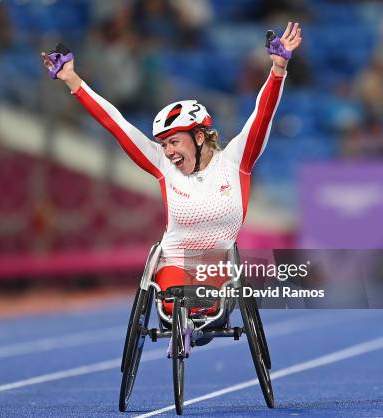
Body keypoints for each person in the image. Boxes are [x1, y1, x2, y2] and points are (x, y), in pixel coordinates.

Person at [42, 23, 302, 315]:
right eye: (163, 144)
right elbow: (115, 123)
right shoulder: (163, 165)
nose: (168, 151)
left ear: (199, 137)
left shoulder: (235, 161)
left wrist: (278, 70)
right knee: (173, 304)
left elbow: (262, 115)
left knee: (205, 307)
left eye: (174, 142)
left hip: (217, 265)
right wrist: (72, 80)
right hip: (174, 263)